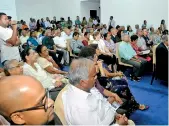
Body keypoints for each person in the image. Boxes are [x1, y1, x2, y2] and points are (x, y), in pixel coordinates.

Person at [79, 46, 149, 115]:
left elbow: (103, 80)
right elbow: (104, 80)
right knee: (122, 87)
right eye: (96, 50)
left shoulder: (94, 64)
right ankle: (132, 106)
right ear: (93, 56)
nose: (98, 51)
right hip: (103, 88)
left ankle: (131, 105)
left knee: (123, 83)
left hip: (102, 86)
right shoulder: (90, 70)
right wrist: (100, 67)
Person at [62, 58, 134, 125]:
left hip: (111, 117)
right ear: (83, 82)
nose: (96, 78)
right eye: (94, 76)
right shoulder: (80, 109)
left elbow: (101, 104)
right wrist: (118, 124)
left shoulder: (86, 88)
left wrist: (114, 114)